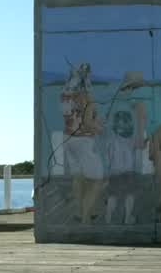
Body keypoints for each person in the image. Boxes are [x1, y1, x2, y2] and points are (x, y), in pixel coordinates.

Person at [60, 63, 104, 223]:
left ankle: (80, 212)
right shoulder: (86, 96)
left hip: (68, 139)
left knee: (78, 178)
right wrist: (99, 128)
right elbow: (87, 122)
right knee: (97, 180)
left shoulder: (65, 94)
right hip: (84, 140)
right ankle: (86, 218)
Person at [105, 95, 148, 225]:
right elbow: (141, 145)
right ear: (129, 124)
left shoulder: (111, 138)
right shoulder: (132, 139)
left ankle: (108, 217)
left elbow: (108, 156)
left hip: (114, 172)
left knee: (113, 196)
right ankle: (127, 217)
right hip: (129, 172)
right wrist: (141, 117)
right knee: (130, 195)